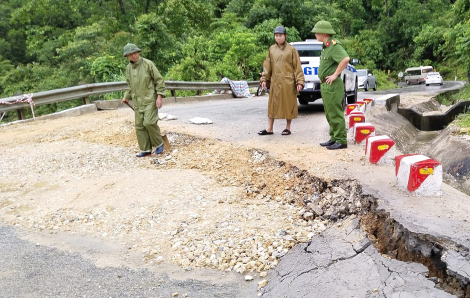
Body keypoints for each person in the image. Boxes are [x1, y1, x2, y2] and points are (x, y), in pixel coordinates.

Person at [121, 43, 167, 157]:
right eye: (130, 54)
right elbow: (130, 85)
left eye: (135, 53)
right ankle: (145, 149)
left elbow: (159, 80)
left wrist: (159, 96)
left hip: (150, 99)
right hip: (137, 101)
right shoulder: (128, 68)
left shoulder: (148, 64)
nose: (133, 56)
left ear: (138, 52)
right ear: (127, 56)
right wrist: (127, 96)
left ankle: (159, 143)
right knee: (140, 125)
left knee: (149, 122)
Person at [259, 26, 305, 136]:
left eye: (280, 36)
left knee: (289, 104)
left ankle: (288, 127)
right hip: (275, 81)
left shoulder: (292, 50)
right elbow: (267, 66)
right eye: (276, 36)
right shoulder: (271, 49)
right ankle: (269, 128)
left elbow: (297, 67)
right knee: (272, 105)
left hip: (288, 81)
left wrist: (299, 81)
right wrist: (265, 79)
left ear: (285, 36)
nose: (278, 38)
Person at [313, 21, 350, 150]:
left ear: (323, 33)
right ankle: (334, 137)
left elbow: (345, 59)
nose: (315, 34)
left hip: (333, 84)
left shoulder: (334, 45)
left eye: (317, 32)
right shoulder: (326, 46)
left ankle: (341, 140)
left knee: (335, 112)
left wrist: (335, 74)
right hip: (326, 85)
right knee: (329, 113)